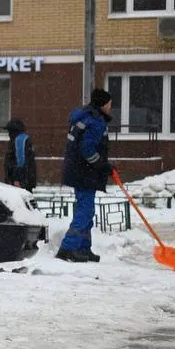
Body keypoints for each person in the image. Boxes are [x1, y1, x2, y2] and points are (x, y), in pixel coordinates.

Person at [58, 88, 113, 263]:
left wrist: (102, 166)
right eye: (109, 103)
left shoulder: (84, 117)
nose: (111, 107)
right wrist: (102, 165)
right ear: (103, 104)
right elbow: (87, 149)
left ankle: (83, 248)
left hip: (78, 170)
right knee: (85, 211)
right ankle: (68, 248)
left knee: (87, 210)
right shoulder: (96, 122)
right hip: (84, 172)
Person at [3, 118, 37, 191]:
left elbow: (20, 161)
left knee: (20, 200)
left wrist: (17, 179)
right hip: (24, 179)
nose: (8, 134)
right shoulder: (19, 139)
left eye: (9, 131)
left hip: (21, 180)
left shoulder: (19, 140)